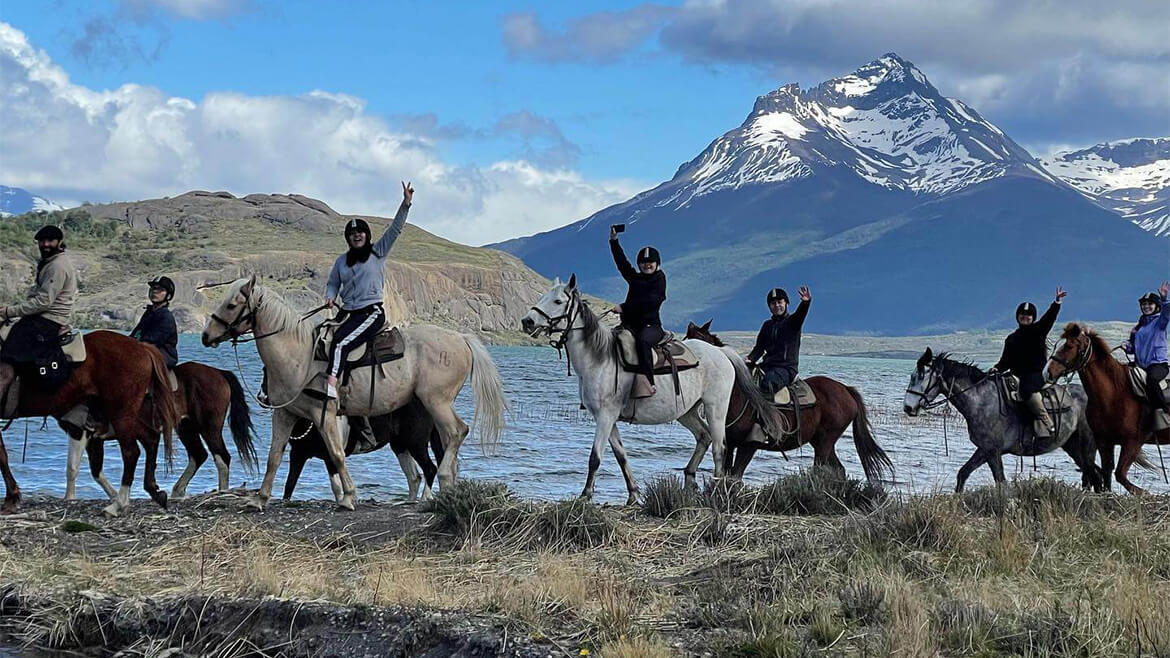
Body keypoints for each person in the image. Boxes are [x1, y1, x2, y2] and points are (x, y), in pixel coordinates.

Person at [323, 181, 413, 399]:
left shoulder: (378, 251)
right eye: (353, 233)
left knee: (340, 343)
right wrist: (330, 297)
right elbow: (333, 283)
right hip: (347, 313)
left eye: (361, 232)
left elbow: (395, 230)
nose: (357, 236)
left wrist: (406, 204)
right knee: (320, 336)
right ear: (348, 238)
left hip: (370, 312)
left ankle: (331, 384)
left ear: (367, 234)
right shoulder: (341, 261)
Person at [0, 225, 79, 401]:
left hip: (47, 320)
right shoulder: (51, 262)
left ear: (59, 242)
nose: (45, 244)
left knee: (6, 359)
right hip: (42, 317)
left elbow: (44, 302)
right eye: (42, 241)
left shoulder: (57, 266)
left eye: (50, 241)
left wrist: (9, 312)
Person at [990, 286, 1068, 438]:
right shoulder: (1011, 339)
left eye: (1029, 315)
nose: (1025, 317)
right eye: (1022, 315)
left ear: (1033, 318)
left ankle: (1047, 424)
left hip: (1036, 374)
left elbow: (1049, 318)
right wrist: (995, 368)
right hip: (1016, 375)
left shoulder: (1039, 330)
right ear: (1018, 317)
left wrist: (1056, 303)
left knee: (1026, 390)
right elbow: (1005, 361)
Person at [609, 225, 666, 398]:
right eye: (643, 262)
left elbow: (651, 302)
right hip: (630, 325)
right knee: (609, 341)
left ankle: (649, 383)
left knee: (642, 342)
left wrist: (624, 307)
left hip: (651, 327)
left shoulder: (659, 279)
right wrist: (614, 241)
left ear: (657, 264)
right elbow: (622, 264)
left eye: (650, 262)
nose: (646, 265)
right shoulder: (635, 278)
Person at [745, 286, 811, 395]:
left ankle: (767, 412)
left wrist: (805, 303)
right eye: (773, 303)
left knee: (767, 385)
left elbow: (801, 314)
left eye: (780, 302)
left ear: (786, 303)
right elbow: (759, 348)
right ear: (769, 306)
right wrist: (749, 359)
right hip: (767, 366)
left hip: (786, 369)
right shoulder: (767, 325)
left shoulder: (793, 322)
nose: (777, 306)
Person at [1122, 282, 1170, 415]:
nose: (1146, 306)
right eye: (1144, 304)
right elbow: (1132, 349)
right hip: (1140, 365)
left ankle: (1163, 411)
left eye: (1150, 304)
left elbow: (1167, 312)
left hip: (1158, 364)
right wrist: (1127, 346)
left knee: (1152, 379)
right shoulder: (1137, 328)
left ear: (1157, 306)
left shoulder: (1160, 322)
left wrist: (1164, 299)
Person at [130, 276, 179, 369]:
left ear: (168, 296)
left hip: (162, 357)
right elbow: (136, 334)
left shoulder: (166, 316)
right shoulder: (149, 313)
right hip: (144, 352)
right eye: (153, 288)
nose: (155, 291)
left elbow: (151, 341)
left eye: (160, 289)